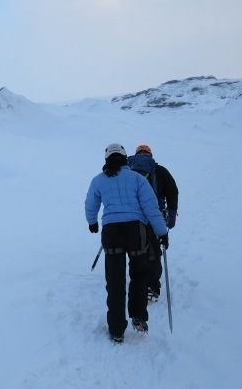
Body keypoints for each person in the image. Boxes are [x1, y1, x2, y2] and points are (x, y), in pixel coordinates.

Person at [85, 143, 169, 343]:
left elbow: (90, 204)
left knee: (115, 281)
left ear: (107, 159)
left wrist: (92, 222)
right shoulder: (137, 179)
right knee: (139, 275)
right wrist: (161, 232)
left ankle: (116, 329)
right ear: (125, 158)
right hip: (135, 231)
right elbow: (151, 207)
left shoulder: (98, 181)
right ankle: (138, 317)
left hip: (112, 232)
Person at [127, 144, 179, 301]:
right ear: (150, 155)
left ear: (136, 154)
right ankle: (152, 287)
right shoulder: (160, 171)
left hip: (132, 218)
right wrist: (171, 214)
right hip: (155, 216)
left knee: (136, 249)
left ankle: (137, 284)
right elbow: (172, 192)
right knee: (154, 251)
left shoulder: (128, 171)